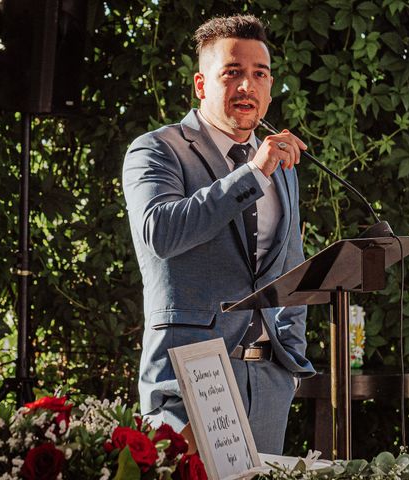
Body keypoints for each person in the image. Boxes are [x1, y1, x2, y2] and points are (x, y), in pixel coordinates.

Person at [122, 14, 315, 454]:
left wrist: (287, 360)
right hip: (191, 378)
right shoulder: (157, 150)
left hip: (267, 382)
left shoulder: (281, 168)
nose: (247, 86)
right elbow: (161, 232)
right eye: (233, 73)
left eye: (259, 75)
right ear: (201, 84)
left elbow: (291, 268)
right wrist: (253, 173)